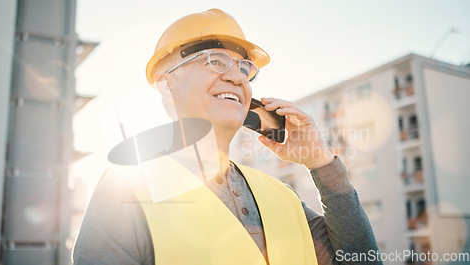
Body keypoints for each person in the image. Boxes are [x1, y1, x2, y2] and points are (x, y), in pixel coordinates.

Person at [74, 8, 382, 265]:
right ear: (166, 85)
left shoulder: (281, 197)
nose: (237, 77)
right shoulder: (126, 189)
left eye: (245, 68)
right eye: (215, 61)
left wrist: (321, 163)